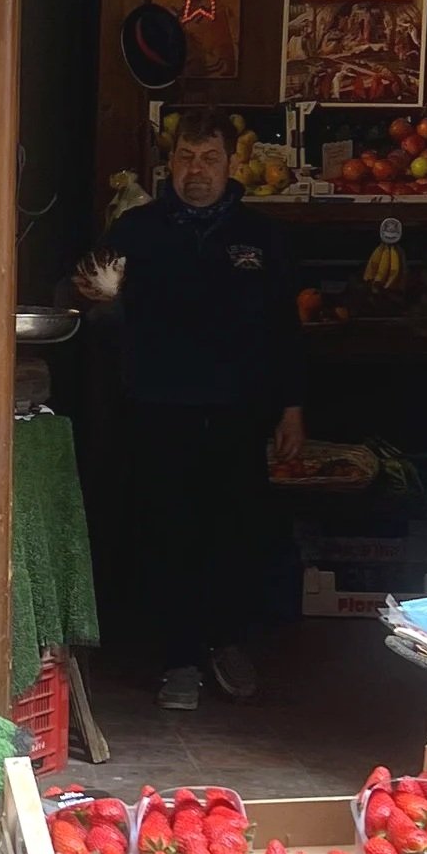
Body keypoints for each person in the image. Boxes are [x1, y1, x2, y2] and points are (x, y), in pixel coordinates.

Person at [76, 108, 304, 710]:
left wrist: (291, 408)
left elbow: (286, 330)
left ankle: (225, 641)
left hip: (238, 412)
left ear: (232, 165)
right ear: (168, 163)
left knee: (235, 531)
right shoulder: (136, 231)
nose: (195, 171)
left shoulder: (261, 238)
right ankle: (178, 659)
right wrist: (104, 302)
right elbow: (97, 317)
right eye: (184, 158)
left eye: (208, 159)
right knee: (166, 531)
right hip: (156, 408)